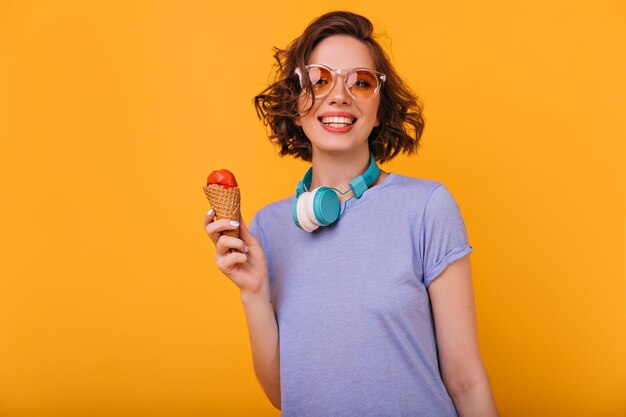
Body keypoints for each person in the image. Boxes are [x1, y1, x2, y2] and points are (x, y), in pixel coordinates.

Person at [203, 10, 499, 417]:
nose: (339, 95)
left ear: (379, 108)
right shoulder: (266, 230)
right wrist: (253, 292)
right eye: (319, 79)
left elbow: (466, 382)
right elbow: (283, 395)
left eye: (360, 82)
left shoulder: (427, 207)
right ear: (297, 101)